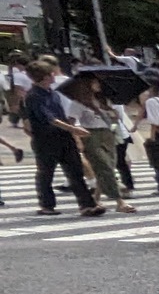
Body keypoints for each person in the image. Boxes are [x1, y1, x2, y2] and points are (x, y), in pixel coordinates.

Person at [22, 58, 100, 217]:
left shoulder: (53, 94)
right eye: (51, 73)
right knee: (46, 173)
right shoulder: (33, 96)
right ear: (45, 76)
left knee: (75, 171)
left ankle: (87, 205)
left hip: (64, 137)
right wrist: (74, 129)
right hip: (46, 140)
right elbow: (50, 119)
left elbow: (61, 116)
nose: (54, 75)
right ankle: (47, 205)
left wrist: (73, 134)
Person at [64, 73, 137, 215]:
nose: (98, 85)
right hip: (90, 135)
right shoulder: (78, 103)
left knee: (106, 167)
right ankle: (119, 201)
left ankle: (95, 198)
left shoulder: (105, 100)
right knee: (104, 167)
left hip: (108, 134)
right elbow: (71, 122)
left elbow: (115, 122)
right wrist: (77, 139)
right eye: (94, 83)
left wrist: (114, 119)